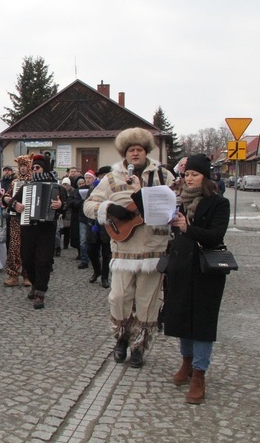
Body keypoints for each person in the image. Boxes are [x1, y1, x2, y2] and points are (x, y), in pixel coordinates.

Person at [83, 127, 175, 369]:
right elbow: (89, 205)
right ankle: (121, 338)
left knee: (148, 302)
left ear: (146, 152)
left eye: (139, 149)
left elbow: (176, 204)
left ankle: (139, 347)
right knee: (119, 297)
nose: (135, 153)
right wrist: (108, 209)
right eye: (131, 149)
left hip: (153, 248)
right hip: (123, 248)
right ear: (125, 153)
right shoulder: (112, 179)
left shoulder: (164, 176)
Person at [164, 154, 230, 404]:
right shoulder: (179, 200)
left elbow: (215, 235)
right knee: (181, 316)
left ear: (205, 176)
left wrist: (187, 228)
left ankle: (199, 375)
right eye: (186, 174)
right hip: (181, 266)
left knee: (202, 323)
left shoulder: (218, 203)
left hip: (205, 270)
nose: (189, 178)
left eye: (194, 174)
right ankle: (186, 362)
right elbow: (176, 232)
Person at [5, 154, 65, 309]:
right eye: (33, 168)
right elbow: (11, 202)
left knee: (43, 261)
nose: (34, 170)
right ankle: (33, 283)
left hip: (46, 230)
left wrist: (60, 205)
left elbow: (66, 205)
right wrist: (16, 205)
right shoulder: (26, 187)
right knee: (27, 259)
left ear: (44, 169)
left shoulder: (57, 187)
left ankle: (40, 292)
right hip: (28, 228)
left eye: (37, 168)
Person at [2, 155, 33, 288]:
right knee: (14, 246)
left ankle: (28, 275)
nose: (23, 169)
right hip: (15, 218)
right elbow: (7, 196)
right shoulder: (15, 182)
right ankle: (13, 274)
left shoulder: (34, 180)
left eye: (25, 166)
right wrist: (9, 201)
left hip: (30, 219)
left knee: (28, 246)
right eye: (21, 166)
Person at [85, 166, 112, 288]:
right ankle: (97, 270)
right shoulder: (93, 188)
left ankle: (105, 277)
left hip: (108, 226)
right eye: (102, 175)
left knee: (107, 254)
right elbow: (87, 204)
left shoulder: (113, 189)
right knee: (91, 251)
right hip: (93, 224)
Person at [59, 176, 73, 253]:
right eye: (64, 184)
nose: (65, 186)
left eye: (66, 184)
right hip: (63, 213)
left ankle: (66, 244)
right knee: (61, 230)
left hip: (69, 214)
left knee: (67, 230)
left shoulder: (72, 191)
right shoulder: (61, 190)